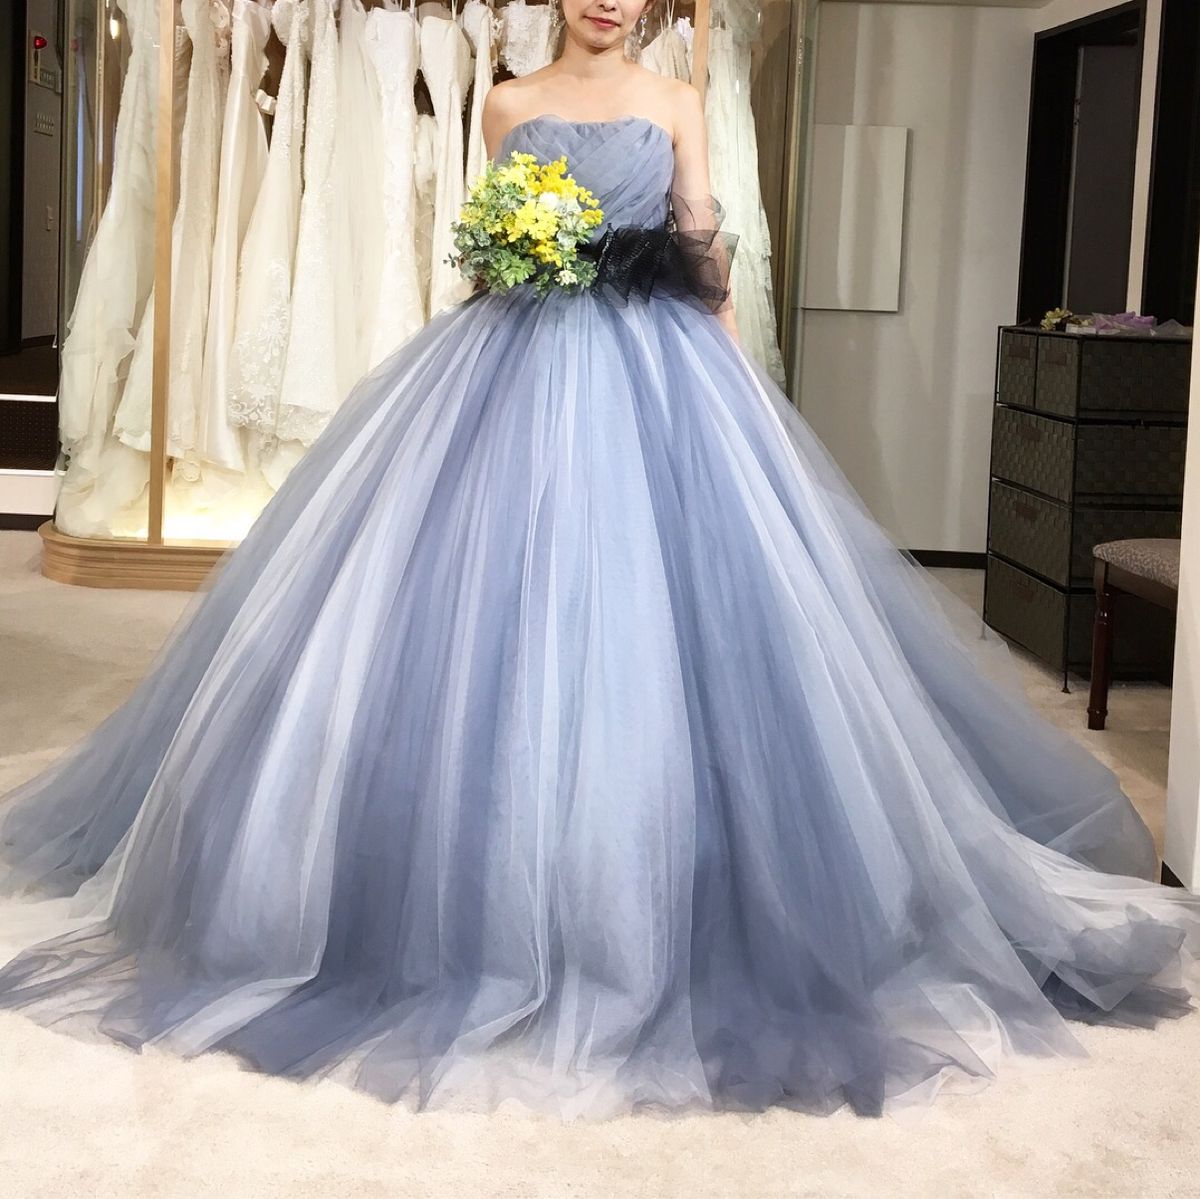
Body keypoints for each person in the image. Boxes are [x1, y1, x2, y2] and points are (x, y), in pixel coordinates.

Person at [1, 0, 1198, 1123]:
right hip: (513, 365)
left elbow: (701, 244)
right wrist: (518, 257)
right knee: (483, 618)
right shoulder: (508, 102)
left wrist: (740, 388)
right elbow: (487, 259)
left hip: (658, 368)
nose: (609, 2)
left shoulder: (676, 100)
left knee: (676, 627)